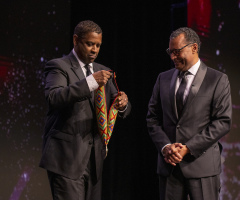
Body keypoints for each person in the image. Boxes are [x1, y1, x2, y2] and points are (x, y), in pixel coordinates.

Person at [39, 20, 131, 200]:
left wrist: (123, 103)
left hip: (94, 160)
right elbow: (54, 97)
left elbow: (120, 106)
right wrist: (90, 82)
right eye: (90, 44)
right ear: (76, 40)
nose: (94, 49)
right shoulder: (59, 66)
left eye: (98, 45)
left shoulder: (104, 71)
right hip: (65, 159)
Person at [146, 27, 232, 200]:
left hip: (202, 167)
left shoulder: (218, 80)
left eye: (177, 52)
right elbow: (152, 119)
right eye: (170, 52)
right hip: (169, 166)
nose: (172, 57)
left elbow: (222, 122)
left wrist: (188, 148)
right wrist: (165, 147)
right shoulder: (163, 78)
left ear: (194, 48)